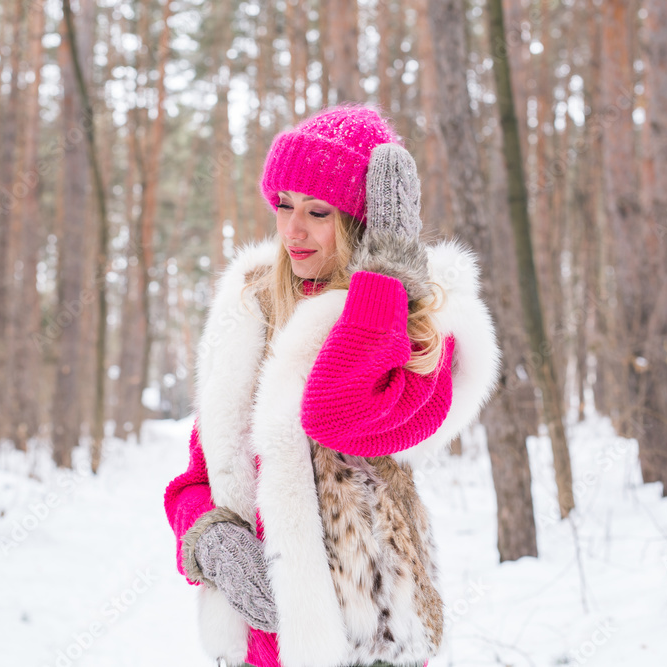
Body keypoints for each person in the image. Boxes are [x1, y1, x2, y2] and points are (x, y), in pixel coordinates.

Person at [164, 104, 501, 667]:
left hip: (368, 647)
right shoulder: (252, 316)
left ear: (362, 222)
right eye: (283, 206)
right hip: (258, 646)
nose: (292, 231)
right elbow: (196, 480)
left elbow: (336, 417)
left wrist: (384, 281)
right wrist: (209, 539)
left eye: (318, 212)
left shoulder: (421, 331)